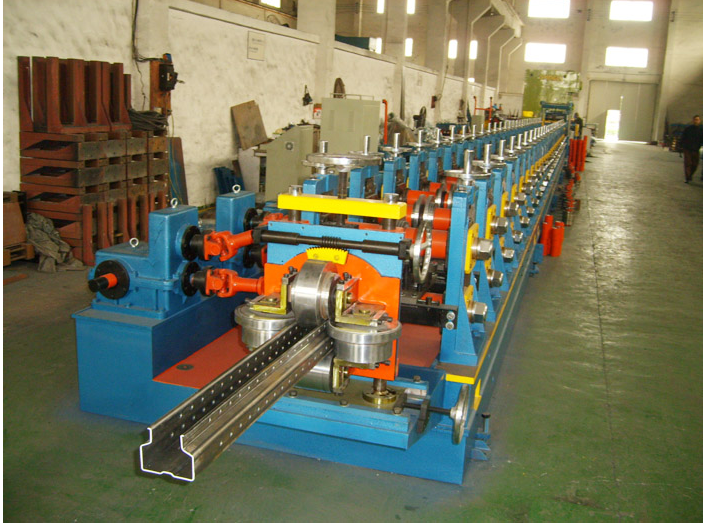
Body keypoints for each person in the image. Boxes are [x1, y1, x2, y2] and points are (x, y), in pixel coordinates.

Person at [680, 115, 703, 183]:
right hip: (687, 149)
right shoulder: (688, 129)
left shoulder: (701, 130)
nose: (696, 121)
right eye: (695, 119)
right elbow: (683, 137)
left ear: (699, 121)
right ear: (693, 120)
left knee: (695, 164)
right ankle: (687, 177)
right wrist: (681, 146)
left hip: (696, 149)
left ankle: (690, 174)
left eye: (697, 120)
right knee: (688, 163)